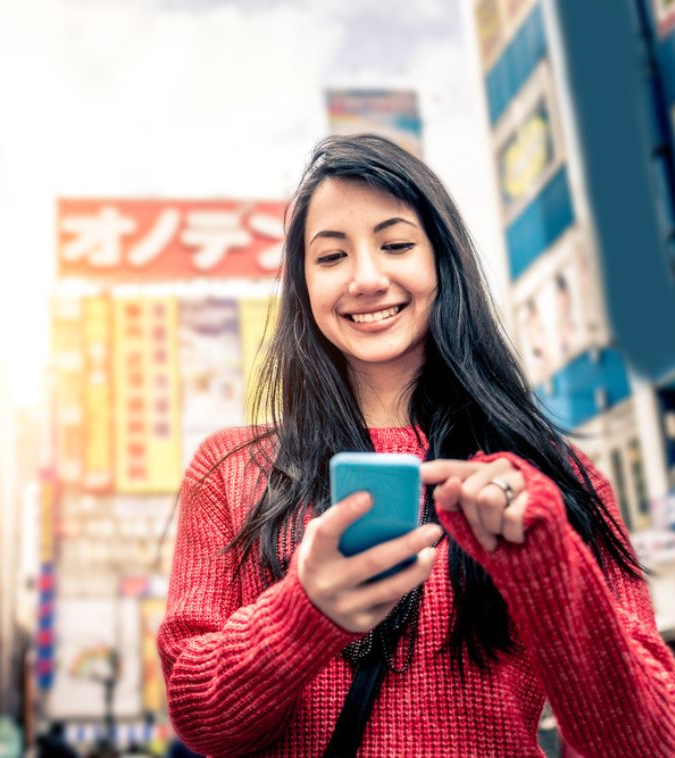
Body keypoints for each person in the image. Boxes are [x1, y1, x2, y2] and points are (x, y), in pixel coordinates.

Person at [156, 134, 675, 756]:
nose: (367, 279)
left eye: (396, 245)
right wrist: (305, 608)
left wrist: (546, 565)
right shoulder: (233, 470)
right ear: (303, 286)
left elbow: (648, 743)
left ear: (441, 262)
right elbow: (203, 718)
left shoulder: (552, 478)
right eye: (331, 257)